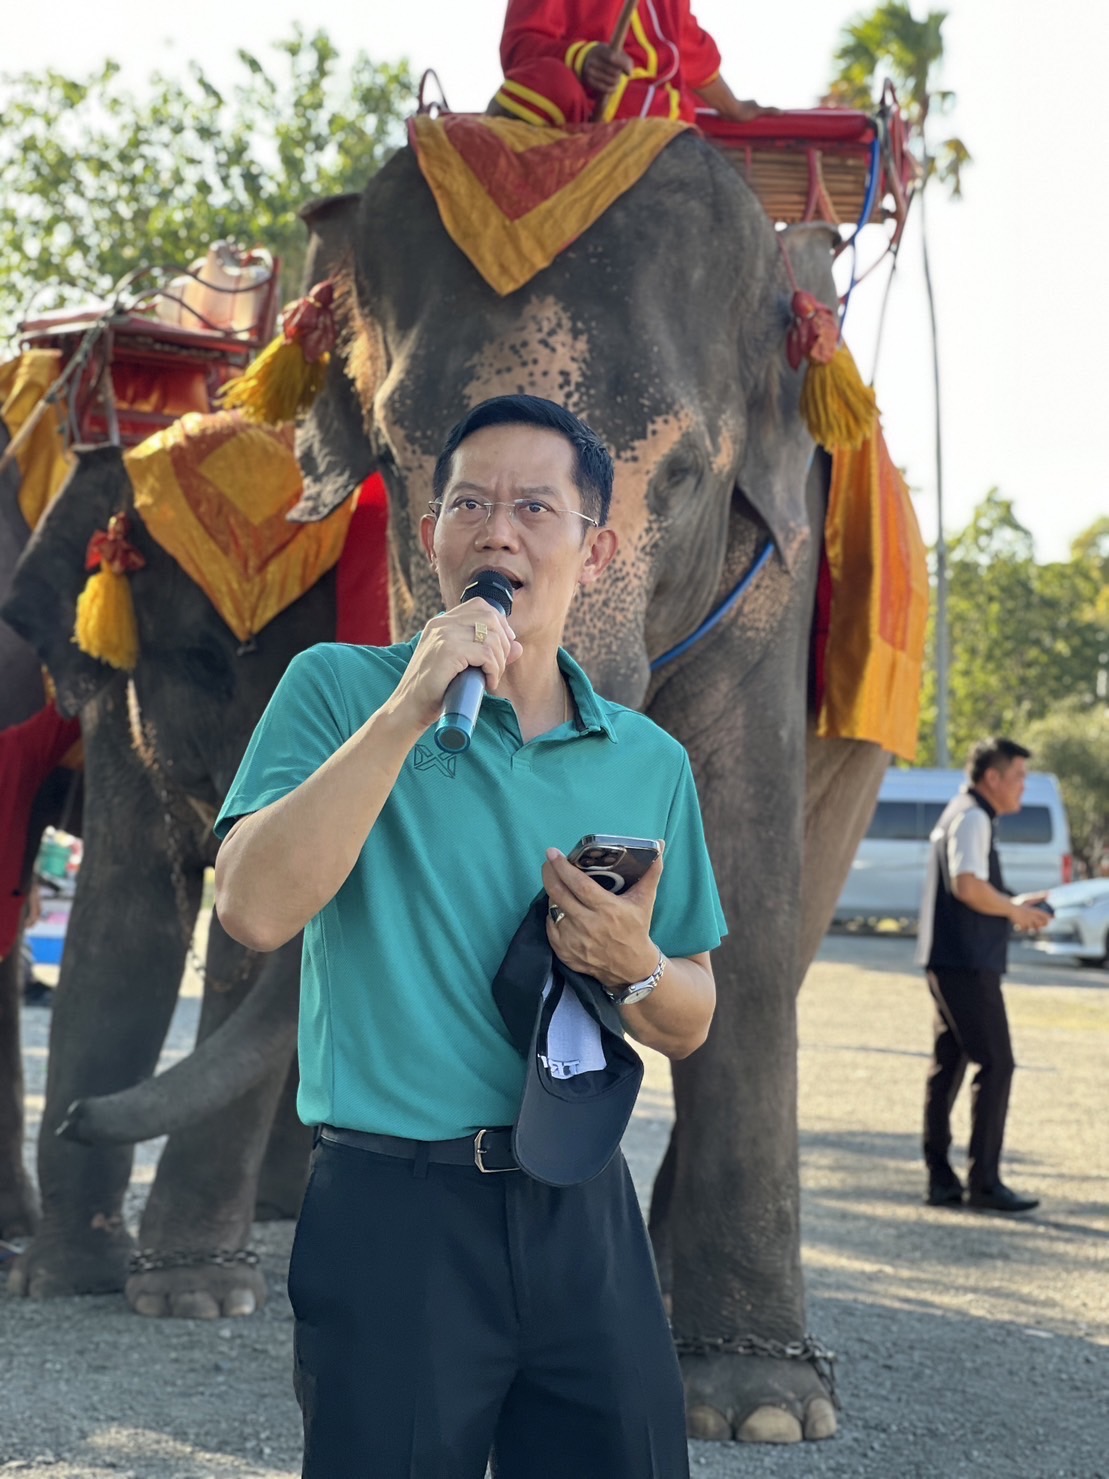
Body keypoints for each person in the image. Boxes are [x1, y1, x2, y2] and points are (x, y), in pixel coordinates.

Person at [213, 394, 725, 1478]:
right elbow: (253, 909)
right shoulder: (338, 691)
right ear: (429, 535)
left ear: (595, 552)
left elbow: (690, 1017)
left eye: (535, 507)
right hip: (395, 1211)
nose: (499, 530)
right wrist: (405, 711)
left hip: (581, 1205)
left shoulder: (646, 760)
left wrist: (633, 966)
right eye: (470, 504)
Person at [916, 738, 1051, 1214]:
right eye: (1018, 777)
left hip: (951, 959)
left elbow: (972, 884)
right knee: (997, 1063)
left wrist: (1014, 903)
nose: (1023, 787)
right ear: (991, 778)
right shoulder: (973, 816)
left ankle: (942, 1179)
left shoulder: (963, 811)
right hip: (966, 962)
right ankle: (984, 1182)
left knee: (949, 1065)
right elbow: (968, 886)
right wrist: (1013, 910)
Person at [493, 0, 774, 126]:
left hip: (666, 129)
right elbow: (519, 48)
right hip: (587, 123)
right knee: (547, 81)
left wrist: (731, 107)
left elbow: (689, 49)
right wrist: (584, 59)